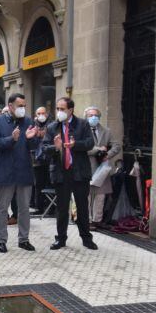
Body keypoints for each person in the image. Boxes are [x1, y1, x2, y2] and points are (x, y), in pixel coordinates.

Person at [42, 97, 97, 250]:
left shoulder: (82, 124)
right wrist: (56, 147)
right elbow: (44, 148)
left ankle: (86, 239)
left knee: (82, 207)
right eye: (57, 109)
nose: (59, 112)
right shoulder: (52, 127)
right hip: (61, 172)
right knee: (61, 208)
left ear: (70, 110)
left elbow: (90, 143)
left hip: (79, 172)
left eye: (62, 109)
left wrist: (75, 145)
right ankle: (60, 239)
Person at [0, 93, 39, 253]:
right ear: (10, 106)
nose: (23, 109)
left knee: (24, 208)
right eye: (20, 106)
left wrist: (32, 139)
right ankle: (1, 240)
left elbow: (33, 146)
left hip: (24, 171)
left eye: (24, 106)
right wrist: (11, 139)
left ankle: (23, 239)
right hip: (5, 172)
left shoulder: (28, 121)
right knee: (2, 208)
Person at [84, 106, 122, 228]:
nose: (93, 117)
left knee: (100, 196)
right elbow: (82, 148)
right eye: (90, 115)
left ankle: (97, 220)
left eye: (95, 115)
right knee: (87, 196)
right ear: (86, 117)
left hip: (102, 168)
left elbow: (116, 146)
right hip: (87, 167)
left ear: (99, 117)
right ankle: (87, 221)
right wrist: (99, 150)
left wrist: (108, 155)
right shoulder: (82, 130)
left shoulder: (106, 131)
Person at [30, 106, 51, 214]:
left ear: (46, 114)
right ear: (36, 115)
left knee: (49, 183)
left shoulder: (51, 126)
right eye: (39, 113)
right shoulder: (32, 126)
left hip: (49, 159)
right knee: (38, 184)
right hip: (36, 160)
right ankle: (39, 207)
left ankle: (50, 207)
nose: (41, 116)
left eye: (43, 113)